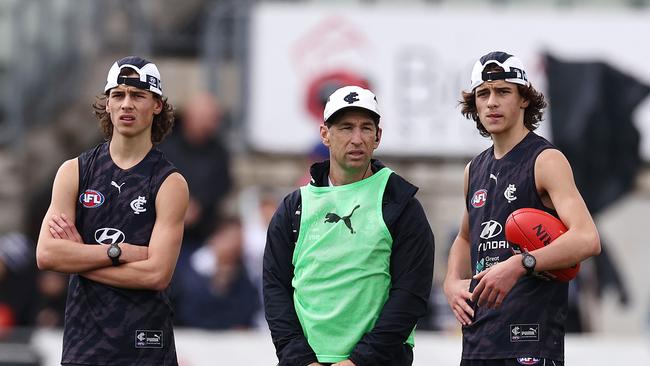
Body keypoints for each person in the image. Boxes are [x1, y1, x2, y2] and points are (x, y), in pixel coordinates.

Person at [443, 51, 601, 366]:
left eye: (503, 91)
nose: (491, 102)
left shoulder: (545, 160)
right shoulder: (473, 169)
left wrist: (520, 264)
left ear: (524, 99)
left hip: (531, 342)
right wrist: (451, 282)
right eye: (483, 94)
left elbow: (587, 239)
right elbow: (464, 237)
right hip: (478, 342)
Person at [264, 85, 435, 366]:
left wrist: (360, 360)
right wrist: (299, 359)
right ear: (325, 135)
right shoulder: (294, 207)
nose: (357, 139)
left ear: (378, 136)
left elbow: (411, 294)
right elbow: (275, 290)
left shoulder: (401, 204)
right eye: (345, 128)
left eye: (366, 128)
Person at [36, 56, 188, 365]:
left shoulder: (170, 182)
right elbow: (47, 254)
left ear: (157, 105)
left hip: (145, 347)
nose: (126, 104)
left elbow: (157, 274)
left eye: (138, 95)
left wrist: (78, 257)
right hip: (84, 345)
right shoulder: (74, 171)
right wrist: (119, 252)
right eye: (117, 95)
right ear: (107, 104)